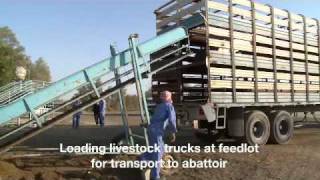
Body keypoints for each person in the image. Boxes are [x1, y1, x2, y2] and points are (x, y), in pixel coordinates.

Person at [140, 91, 177, 180]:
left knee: (154, 148)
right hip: (157, 131)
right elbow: (171, 120)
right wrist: (173, 132)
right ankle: (155, 176)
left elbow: (155, 119)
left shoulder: (159, 106)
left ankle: (142, 160)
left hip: (151, 129)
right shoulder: (169, 106)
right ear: (169, 97)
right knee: (158, 152)